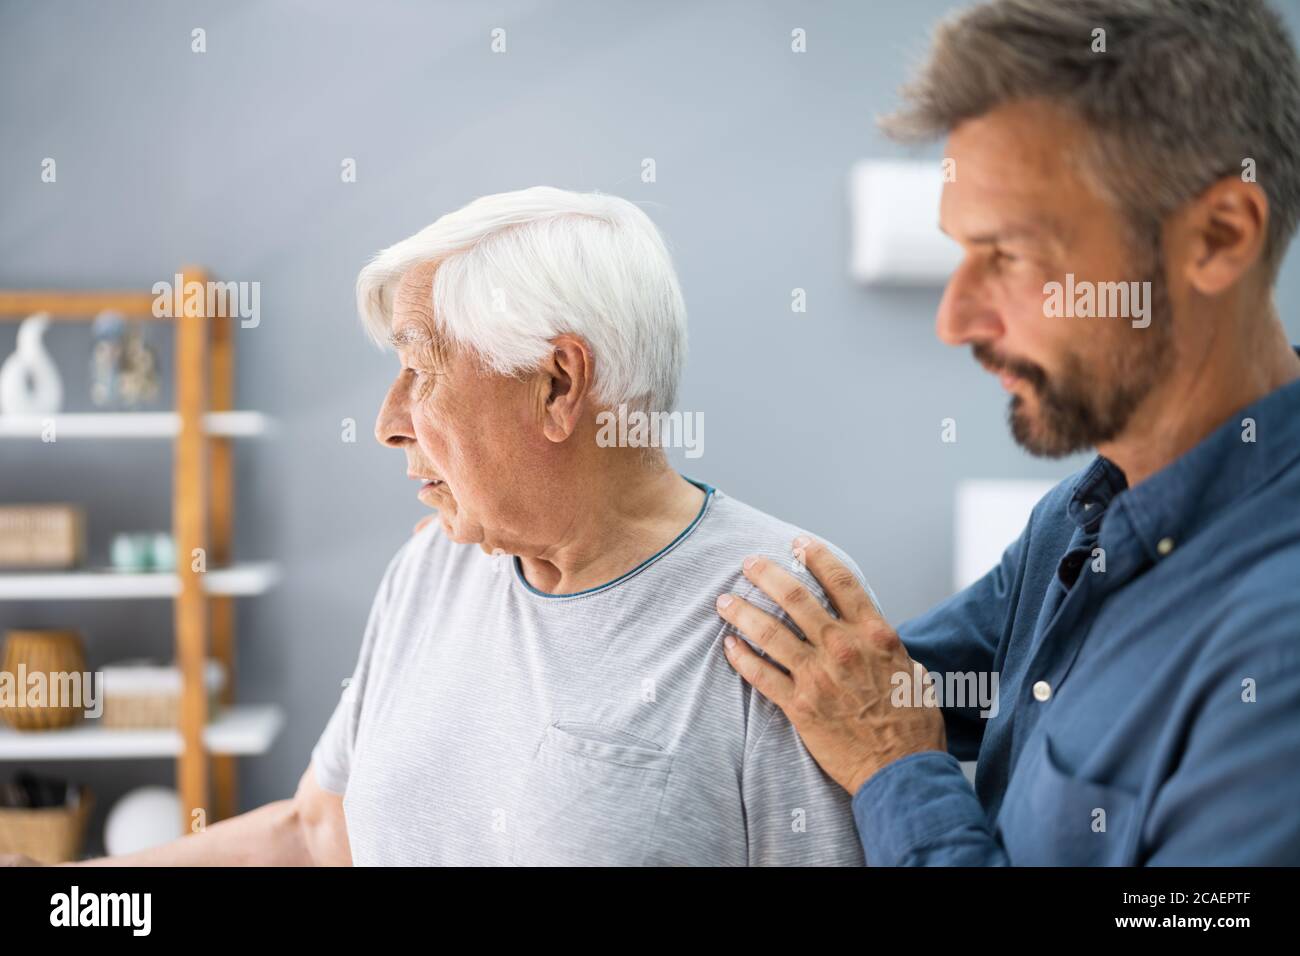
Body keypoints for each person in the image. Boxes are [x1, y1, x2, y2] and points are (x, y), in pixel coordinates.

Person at [24, 187, 866, 866]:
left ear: (558, 384)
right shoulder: (435, 563)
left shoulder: (779, 610)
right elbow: (318, 837)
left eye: (421, 369)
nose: (388, 420)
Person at [717, 0, 1300, 864]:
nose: (954, 319)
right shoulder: (1089, 512)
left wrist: (896, 769)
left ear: (1217, 237)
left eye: (1012, 256)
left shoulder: (1278, 655)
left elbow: (888, 725)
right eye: (959, 251)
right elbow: (881, 683)